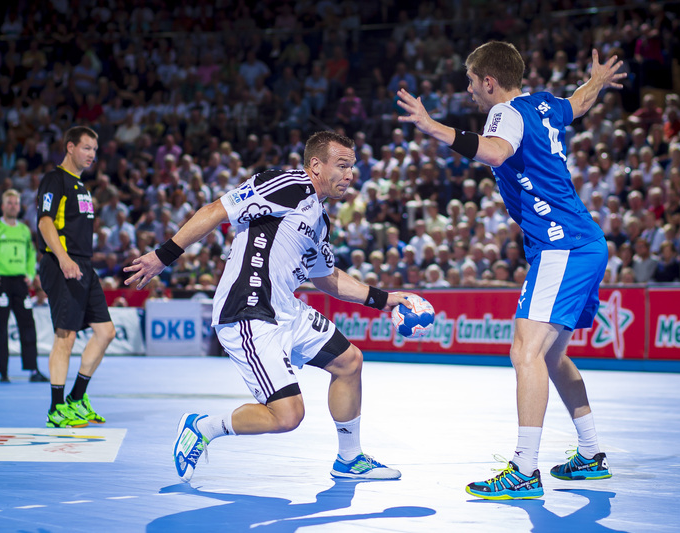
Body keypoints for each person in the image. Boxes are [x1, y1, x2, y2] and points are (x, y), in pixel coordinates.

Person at [397, 42, 625, 499]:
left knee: (524, 352)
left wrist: (430, 125)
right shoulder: (544, 104)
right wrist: (597, 81)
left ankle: (523, 469)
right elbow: (578, 103)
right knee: (550, 357)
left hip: (562, 245)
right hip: (582, 242)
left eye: (471, 81)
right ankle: (590, 453)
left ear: (489, 81)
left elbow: (496, 152)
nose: (468, 90)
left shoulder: (505, 113)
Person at [125, 131, 413, 483]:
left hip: (285, 309)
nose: (350, 175)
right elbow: (216, 211)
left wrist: (385, 300)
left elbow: (326, 278)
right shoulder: (287, 184)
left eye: (352, 167)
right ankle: (203, 427)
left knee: (349, 361)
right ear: (316, 165)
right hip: (248, 310)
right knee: (287, 415)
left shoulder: (320, 219)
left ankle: (349, 459)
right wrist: (163, 256)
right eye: (342, 165)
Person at [37, 126, 116, 428]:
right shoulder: (54, 179)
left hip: (83, 264)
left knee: (106, 332)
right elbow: (45, 223)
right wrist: (63, 258)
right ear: (70, 147)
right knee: (65, 336)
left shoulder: (82, 186)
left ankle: (76, 397)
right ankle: (56, 408)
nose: (91, 154)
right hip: (63, 264)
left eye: (94, 150)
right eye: (86, 148)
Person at [0, 189, 48, 383]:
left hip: (20, 282)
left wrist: (30, 274)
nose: (13, 206)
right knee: (1, 327)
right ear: (3, 206)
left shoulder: (24, 230)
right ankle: (2, 372)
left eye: (16, 203)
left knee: (28, 325)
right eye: (9, 203)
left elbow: (31, 255)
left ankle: (33, 370)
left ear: (20, 207)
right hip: (0, 282)